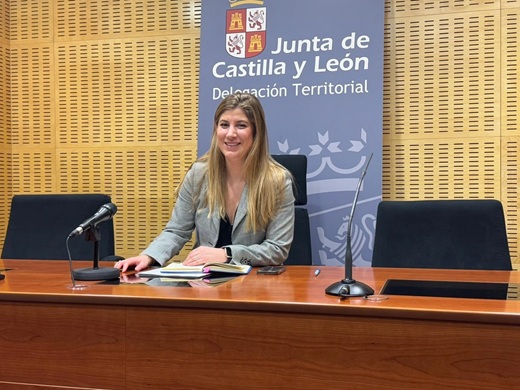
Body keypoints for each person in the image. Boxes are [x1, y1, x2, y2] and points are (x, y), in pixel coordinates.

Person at [115, 92, 295, 273]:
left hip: (252, 284)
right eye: (224, 125)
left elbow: (277, 249)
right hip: (202, 281)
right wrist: (149, 256)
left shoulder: (277, 180)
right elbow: (176, 231)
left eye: (241, 125)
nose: (231, 133)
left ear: (256, 132)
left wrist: (227, 254)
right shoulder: (199, 174)